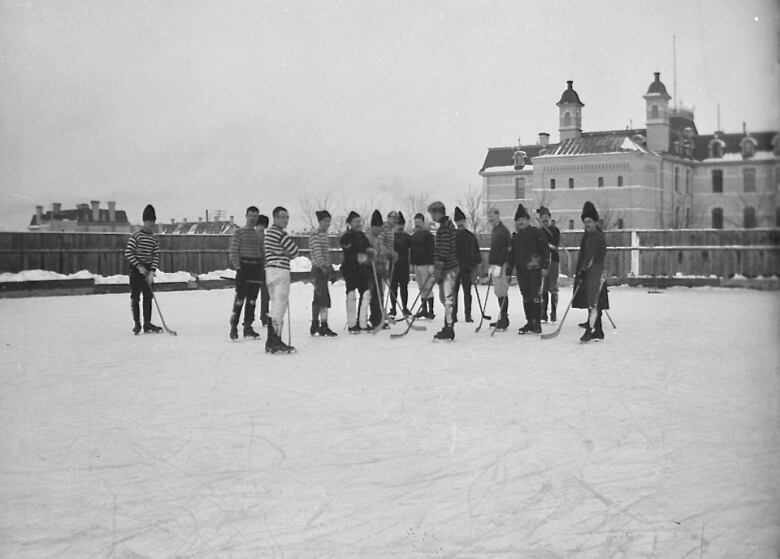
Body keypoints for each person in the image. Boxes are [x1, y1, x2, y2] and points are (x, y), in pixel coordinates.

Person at [506, 204, 550, 334]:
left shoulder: (536, 233)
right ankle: (529, 321)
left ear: (528, 220)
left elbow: (545, 251)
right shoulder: (515, 237)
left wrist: (545, 266)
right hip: (521, 271)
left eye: (523, 219)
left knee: (535, 295)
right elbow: (511, 256)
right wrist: (508, 273)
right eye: (518, 220)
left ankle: (537, 322)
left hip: (535, 270)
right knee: (525, 296)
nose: (521, 222)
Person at [572, 201, 609, 342]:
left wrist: (584, 270)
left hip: (596, 272)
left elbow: (591, 256)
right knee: (592, 301)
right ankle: (598, 330)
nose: (587, 224)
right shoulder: (589, 236)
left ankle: (590, 330)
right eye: (585, 221)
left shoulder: (597, 236)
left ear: (595, 222)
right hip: (591, 272)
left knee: (593, 303)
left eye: (589, 221)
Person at [263, 206, 299, 352]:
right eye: (283, 217)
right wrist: (286, 253)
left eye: (287, 217)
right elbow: (294, 251)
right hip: (281, 270)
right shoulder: (280, 234)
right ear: (276, 218)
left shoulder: (268, 234)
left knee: (274, 304)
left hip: (270, 270)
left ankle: (271, 340)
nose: (286, 220)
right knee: (280, 306)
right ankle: (275, 340)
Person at [124, 204, 162, 334]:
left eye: (153, 221)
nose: (151, 223)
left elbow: (156, 256)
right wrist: (139, 266)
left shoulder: (154, 239)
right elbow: (128, 252)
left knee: (148, 296)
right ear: (144, 221)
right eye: (148, 221)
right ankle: (137, 324)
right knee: (135, 297)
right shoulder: (137, 236)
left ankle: (147, 323)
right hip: (136, 270)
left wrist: (152, 272)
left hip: (148, 271)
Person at [228, 206, 264, 341]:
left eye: (255, 216)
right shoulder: (239, 233)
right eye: (251, 215)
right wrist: (238, 267)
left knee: (252, 300)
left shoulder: (259, 234)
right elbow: (234, 251)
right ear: (246, 216)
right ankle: (234, 325)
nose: (253, 218)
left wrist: (263, 267)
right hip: (244, 268)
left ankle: (248, 326)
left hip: (256, 269)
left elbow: (262, 252)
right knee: (240, 299)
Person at [428, 201, 458, 341]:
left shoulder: (445, 228)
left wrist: (438, 267)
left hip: (448, 267)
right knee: (445, 298)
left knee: (447, 298)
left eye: (432, 213)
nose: (431, 216)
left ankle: (449, 329)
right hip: (447, 266)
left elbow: (444, 250)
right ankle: (448, 325)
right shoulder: (447, 225)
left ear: (437, 212)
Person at [340, 211, 374, 333]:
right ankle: (352, 324)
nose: (358, 224)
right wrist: (360, 256)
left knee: (365, 294)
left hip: (362, 269)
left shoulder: (362, 235)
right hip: (350, 269)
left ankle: (363, 323)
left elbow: (368, 247)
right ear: (350, 223)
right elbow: (349, 253)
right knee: (351, 294)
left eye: (359, 221)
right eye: (355, 221)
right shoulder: (346, 236)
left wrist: (371, 251)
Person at [309, 210, 337, 337]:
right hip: (318, 269)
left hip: (324, 268)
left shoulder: (324, 235)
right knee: (322, 297)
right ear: (320, 221)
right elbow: (318, 253)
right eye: (325, 221)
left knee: (320, 297)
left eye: (329, 221)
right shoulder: (316, 234)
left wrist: (330, 266)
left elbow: (326, 253)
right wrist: (324, 266)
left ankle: (316, 324)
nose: (327, 224)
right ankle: (322, 324)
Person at [453, 206, 482, 323]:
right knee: (453, 293)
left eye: (461, 221)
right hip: (454, 269)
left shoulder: (471, 237)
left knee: (467, 293)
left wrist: (475, 268)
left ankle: (468, 315)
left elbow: (476, 253)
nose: (460, 223)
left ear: (465, 222)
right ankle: (453, 315)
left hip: (467, 268)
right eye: (457, 221)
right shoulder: (452, 236)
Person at [487, 207, 511, 330]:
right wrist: (491, 264)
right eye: (488, 216)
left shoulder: (503, 231)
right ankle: (502, 317)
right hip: (495, 264)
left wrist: (500, 265)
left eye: (492, 216)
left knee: (502, 290)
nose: (490, 218)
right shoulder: (495, 230)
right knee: (498, 291)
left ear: (497, 216)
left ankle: (504, 319)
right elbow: (494, 249)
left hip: (501, 264)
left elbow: (506, 250)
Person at [537, 206, 561, 323]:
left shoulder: (555, 231)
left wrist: (547, 245)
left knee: (553, 288)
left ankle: (554, 313)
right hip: (543, 263)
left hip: (553, 262)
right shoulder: (539, 232)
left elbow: (554, 246)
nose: (545, 219)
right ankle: (543, 314)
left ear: (550, 218)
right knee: (544, 288)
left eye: (546, 217)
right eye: (542, 218)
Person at [366, 210, 389, 329]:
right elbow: (365, 254)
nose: (379, 230)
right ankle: (372, 318)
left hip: (379, 271)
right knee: (372, 295)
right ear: (372, 227)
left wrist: (384, 264)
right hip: (370, 271)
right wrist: (370, 258)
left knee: (379, 295)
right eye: (377, 227)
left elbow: (382, 254)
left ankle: (378, 318)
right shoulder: (368, 239)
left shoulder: (379, 240)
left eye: (381, 227)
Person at [410, 212, 435, 319]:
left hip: (426, 264)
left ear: (423, 222)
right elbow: (412, 251)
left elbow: (432, 250)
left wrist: (431, 265)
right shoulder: (414, 236)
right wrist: (411, 263)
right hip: (417, 264)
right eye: (416, 222)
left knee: (427, 287)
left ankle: (431, 311)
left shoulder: (428, 236)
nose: (417, 224)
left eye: (419, 222)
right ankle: (424, 309)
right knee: (421, 287)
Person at [389, 211, 412, 317]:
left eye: (402, 225)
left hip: (403, 264)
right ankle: (393, 308)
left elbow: (413, 248)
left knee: (404, 287)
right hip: (393, 264)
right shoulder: (390, 237)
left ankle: (405, 307)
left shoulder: (407, 237)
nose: (400, 227)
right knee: (393, 287)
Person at [256, 214, 270, 326]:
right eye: (260, 225)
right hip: (255, 268)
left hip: (264, 269)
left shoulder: (265, 238)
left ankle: (264, 316)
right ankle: (248, 319)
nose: (262, 228)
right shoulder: (254, 237)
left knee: (266, 295)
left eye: (263, 226)